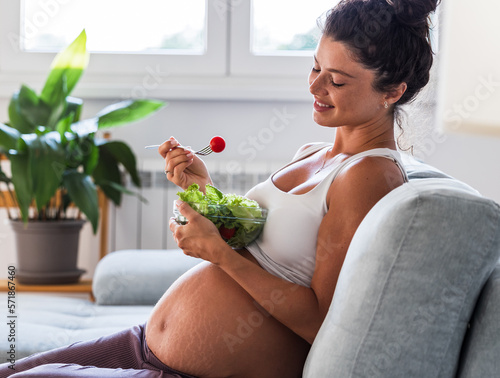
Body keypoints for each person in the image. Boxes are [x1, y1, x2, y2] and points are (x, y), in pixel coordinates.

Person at [1, 0, 439, 376]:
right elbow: (256, 240)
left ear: (392, 91)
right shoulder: (314, 152)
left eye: (337, 80)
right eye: (315, 67)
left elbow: (320, 319)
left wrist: (218, 254)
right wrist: (202, 188)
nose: (315, 86)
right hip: (147, 345)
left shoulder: (368, 177)